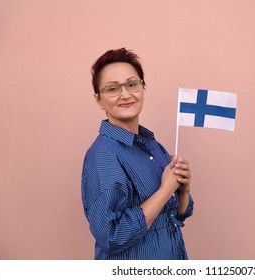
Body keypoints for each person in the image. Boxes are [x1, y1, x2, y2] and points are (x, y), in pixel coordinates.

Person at [81, 48, 194, 260]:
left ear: (143, 88)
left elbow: (176, 215)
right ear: (98, 100)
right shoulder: (103, 156)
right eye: (112, 89)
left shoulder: (153, 146)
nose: (125, 95)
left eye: (132, 84)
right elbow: (111, 236)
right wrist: (164, 190)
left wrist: (183, 191)